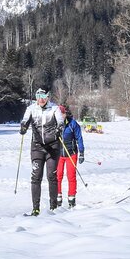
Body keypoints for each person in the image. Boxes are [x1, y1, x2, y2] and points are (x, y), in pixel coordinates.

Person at [19, 87, 63, 215]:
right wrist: (23, 127)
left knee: (51, 176)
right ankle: (36, 208)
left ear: (48, 97)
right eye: (38, 97)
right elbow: (25, 120)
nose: (41, 100)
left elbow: (60, 121)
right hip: (37, 147)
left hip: (53, 146)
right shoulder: (31, 108)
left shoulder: (54, 108)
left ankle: (53, 207)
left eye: (43, 97)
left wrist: (59, 129)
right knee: (36, 176)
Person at [56, 105, 85, 207]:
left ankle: (71, 198)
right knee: (57, 175)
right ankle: (58, 196)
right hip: (58, 154)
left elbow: (79, 138)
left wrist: (81, 152)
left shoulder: (72, 124)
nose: (61, 116)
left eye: (62, 114)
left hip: (71, 153)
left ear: (65, 114)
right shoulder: (54, 124)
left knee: (71, 175)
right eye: (59, 114)